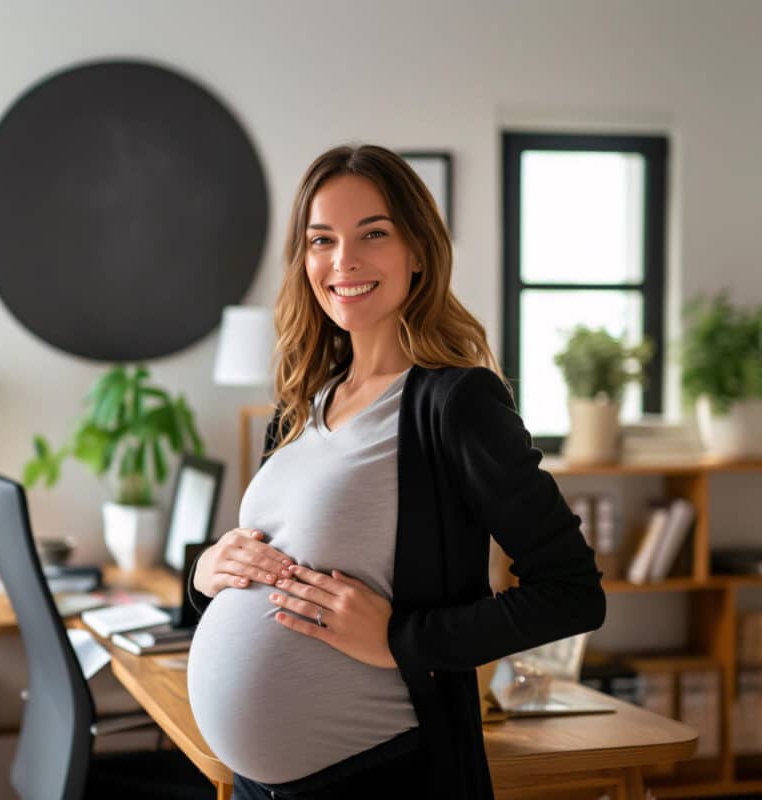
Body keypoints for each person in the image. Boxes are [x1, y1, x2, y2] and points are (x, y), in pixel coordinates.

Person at [184, 143, 606, 799]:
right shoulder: (302, 401)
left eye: (372, 234)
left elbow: (572, 591)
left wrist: (401, 638)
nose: (343, 260)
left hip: (378, 778)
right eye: (322, 240)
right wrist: (207, 573)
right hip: (257, 786)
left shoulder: (456, 404)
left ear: (418, 251)